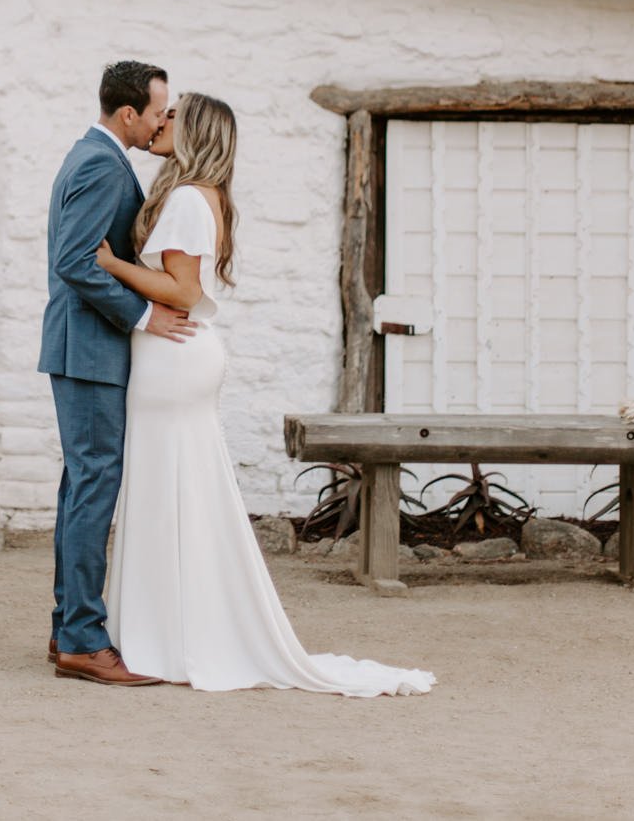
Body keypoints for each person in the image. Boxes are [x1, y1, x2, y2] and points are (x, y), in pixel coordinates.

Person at [94, 92, 434, 696]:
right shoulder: (205, 196)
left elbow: (182, 290)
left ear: (194, 130)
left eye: (173, 115)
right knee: (175, 494)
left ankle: (170, 637)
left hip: (172, 359)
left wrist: (113, 265)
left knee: (170, 493)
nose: (161, 120)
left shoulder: (187, 199)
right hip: (176, 360)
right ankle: (166, 631)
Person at [39, 60, 196, 686]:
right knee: (93, 489)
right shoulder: (103, 165)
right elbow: (76, 261)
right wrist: (141, 315)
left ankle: (66, 631)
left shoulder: (94, 157)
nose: (164, 121)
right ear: (128, 113)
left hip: (84, 350)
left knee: (83, 487)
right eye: (158, 111)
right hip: (91, 352)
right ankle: (80, 639)